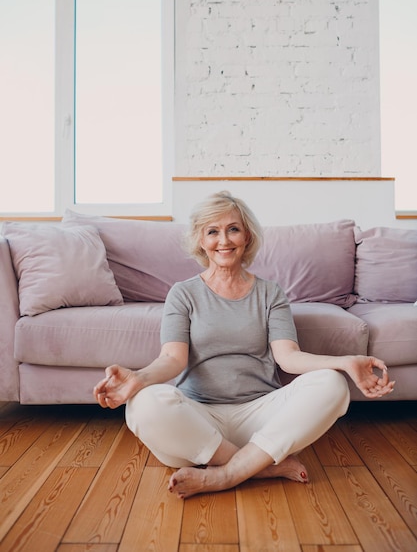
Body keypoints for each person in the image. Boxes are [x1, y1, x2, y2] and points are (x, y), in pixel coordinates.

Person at [94, 191, 395, 499]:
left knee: (333, 384)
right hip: (196, 424)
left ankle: (227, 474)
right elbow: (172, 359)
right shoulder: (183, 294)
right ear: (200, 240)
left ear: (247, 236)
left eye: (233, 229)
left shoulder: (270, 293)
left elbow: (288, 357)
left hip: (260, 418)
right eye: (213, 231)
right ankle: (260, 464)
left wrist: (343, 362)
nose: (223, 240)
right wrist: (139, 378)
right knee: (142, 404)